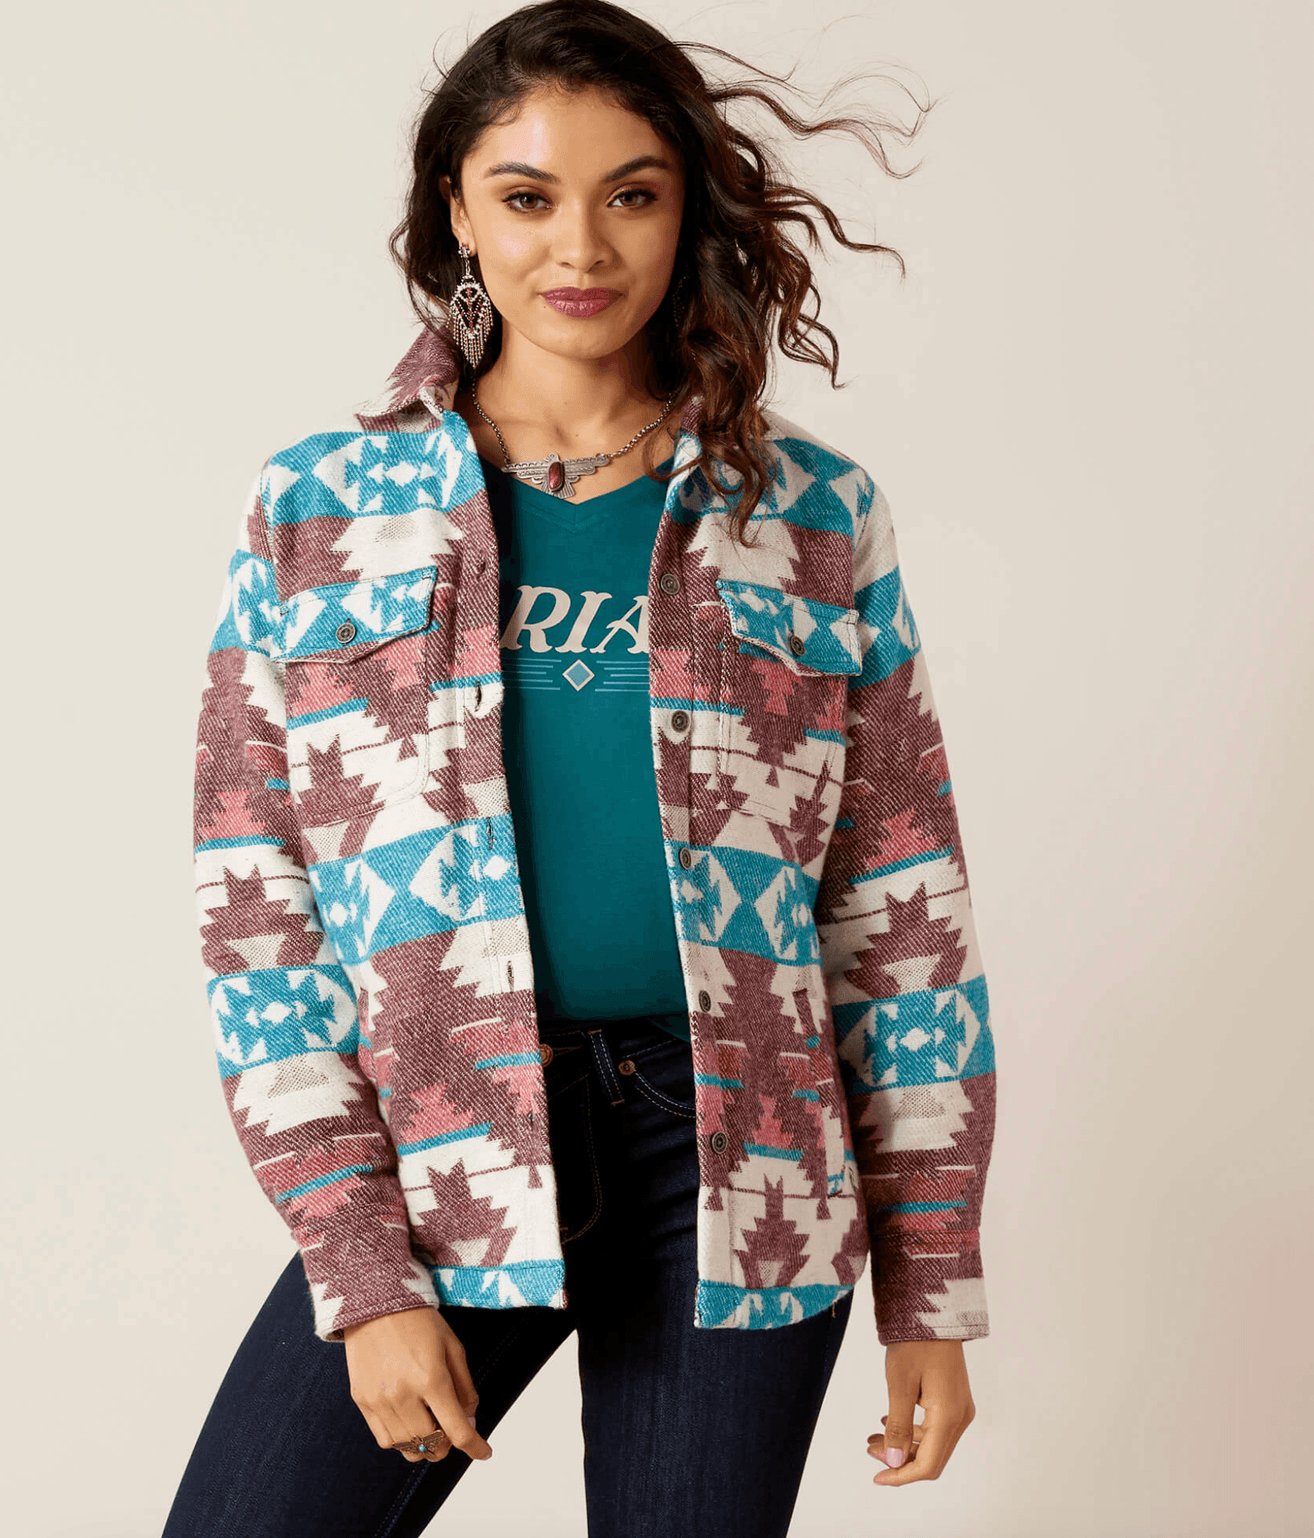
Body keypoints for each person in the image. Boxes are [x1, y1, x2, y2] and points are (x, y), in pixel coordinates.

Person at [166, 4, 996, 1534]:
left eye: (632, 193)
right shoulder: (321, 509)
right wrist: (362, 1268)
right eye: (528, 194)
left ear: (688, 209)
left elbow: (900, 905)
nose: (583, 245)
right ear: (457, 213)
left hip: (742, 1168)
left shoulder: (810, 513)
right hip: (446, 1140)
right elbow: (255, 907)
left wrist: (929, 1279)